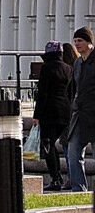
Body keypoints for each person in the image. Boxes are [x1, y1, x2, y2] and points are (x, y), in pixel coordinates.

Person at [33, 41, 72, 192]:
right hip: (65, 111)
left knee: (47, 144)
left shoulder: (47, 68)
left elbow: (43, 93)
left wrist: (37, 116)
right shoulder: (68, 68)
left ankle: (55, 178)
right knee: (61, 144)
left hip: (50, 113)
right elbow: (70, 91)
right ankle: (63, 177)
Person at [63, 27, 95, 192]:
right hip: (78, 116)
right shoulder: (77, 63)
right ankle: (79, 189)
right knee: (73, 154)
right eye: (75, 41)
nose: (77, 44)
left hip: (93, 115)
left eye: (80, 41)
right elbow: (74, 88)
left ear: (90, 42)